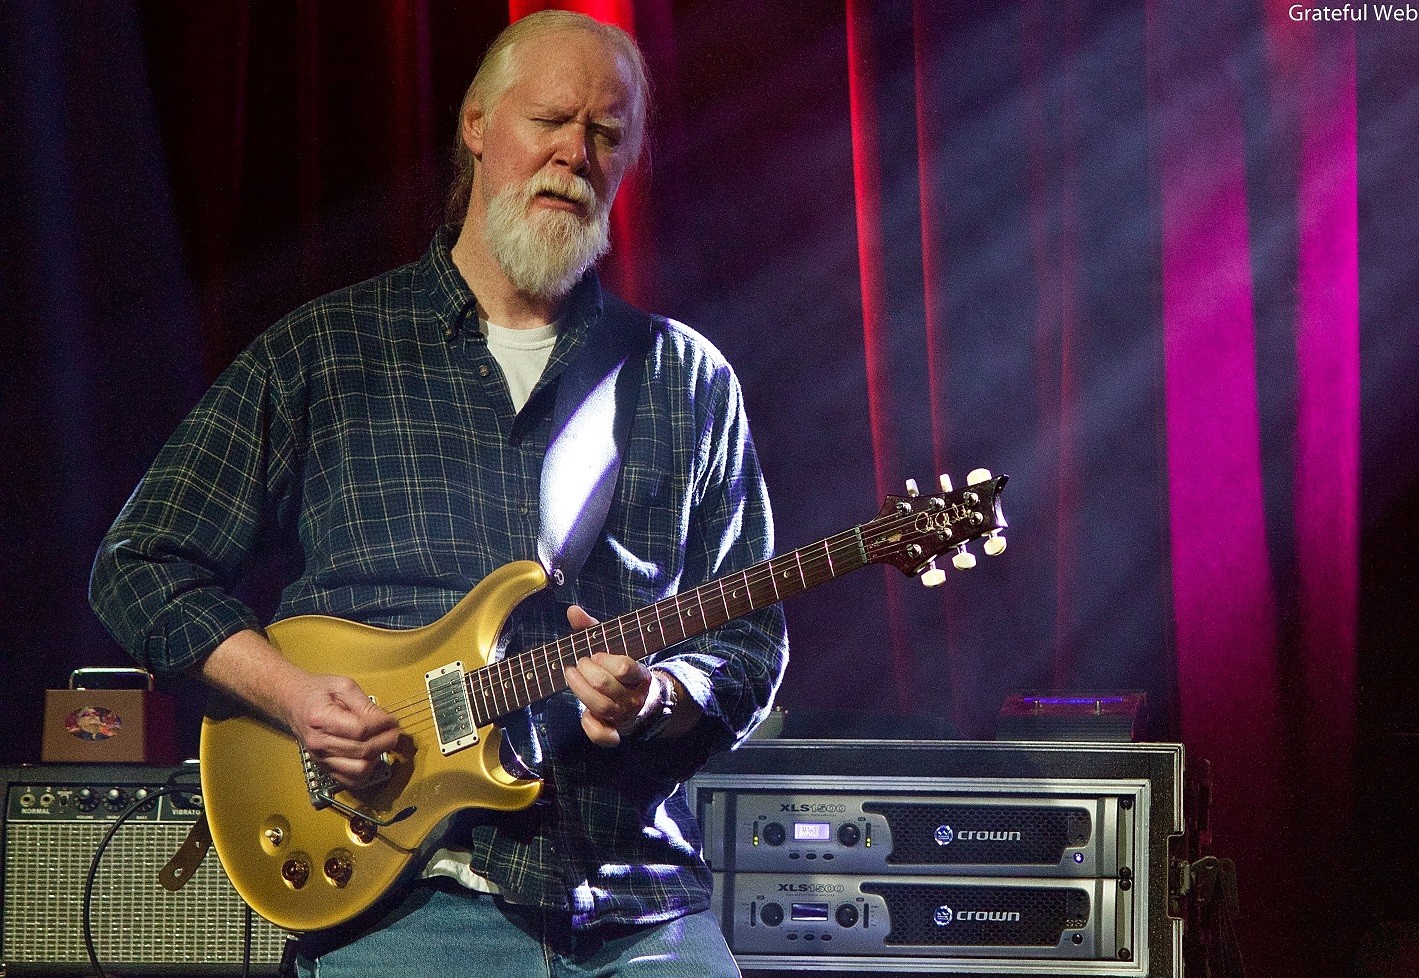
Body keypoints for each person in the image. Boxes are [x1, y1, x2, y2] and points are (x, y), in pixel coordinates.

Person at [89, 11, 787, 977]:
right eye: (549, 119)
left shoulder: (682, 376)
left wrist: (667, 693)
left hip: (634, 899)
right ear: (475, 124)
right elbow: (140, 563)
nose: (573, 156)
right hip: (403, 902)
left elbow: (748, 643)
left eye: (606, 134)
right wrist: (297, 701)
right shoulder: (325, 352)